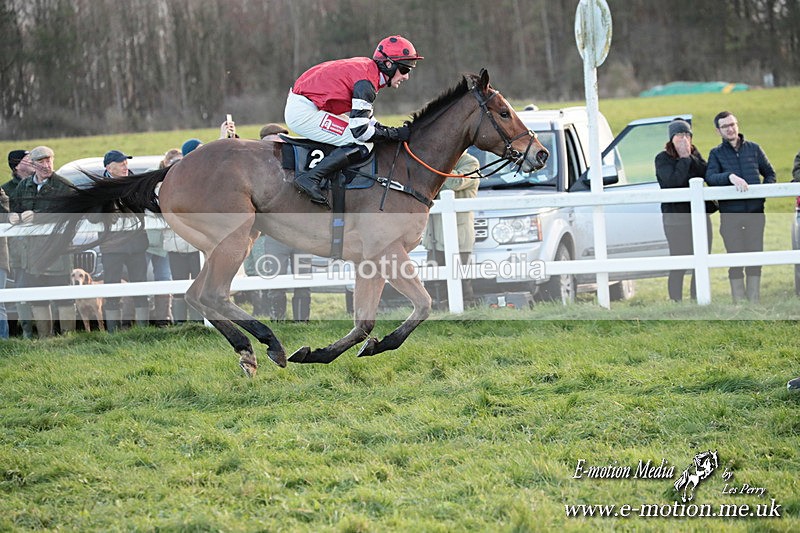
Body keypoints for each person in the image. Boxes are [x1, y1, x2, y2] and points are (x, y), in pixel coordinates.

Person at [285, 35, 423, 206]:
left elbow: (367, 120)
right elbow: (362, 132)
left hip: (308, 105)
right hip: (303, 112)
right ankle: (310, 178)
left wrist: (391, 131)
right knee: (363, 144)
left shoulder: (368, 71)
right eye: (405, 70)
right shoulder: (366, 82)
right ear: (389, 64)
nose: (406, 77)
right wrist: (394, 134)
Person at [705, 111, 776, 303]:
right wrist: (729, 177)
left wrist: (763, 193)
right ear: (718, 131)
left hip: (755, 213)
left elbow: (770, 173)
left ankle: (754, 302)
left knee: (755, 256)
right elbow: (710, 178)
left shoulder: (754, 149)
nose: (730, 129)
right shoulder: (716, 154)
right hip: (731, 216)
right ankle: (738, 303)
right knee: (734, 258)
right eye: (725, 126)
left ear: (737, 125)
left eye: (733, 124)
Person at [8, 146, 75, 338]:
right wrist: (14, 215)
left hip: (57, 253)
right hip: (33, 254)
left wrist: (37, 217)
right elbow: (16, 206)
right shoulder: (24, 186)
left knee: (64, 299)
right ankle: (46, 338)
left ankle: (68, 338)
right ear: (33, 164)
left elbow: (66, 214)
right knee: (39, 299)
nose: (47, 165)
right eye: (42, 162)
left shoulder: (64, 186)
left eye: (49, 160)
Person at [655, 119, 713, 302]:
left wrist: (690, 158)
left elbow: (706, 173)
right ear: (671, 138)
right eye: (680, 135)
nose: (684, 139)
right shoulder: (662, 159)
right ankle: (676, 301)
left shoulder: (695, 155)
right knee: (679, 261)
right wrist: (684, 159)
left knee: (702, 257)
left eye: (687, 135)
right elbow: (674, 182)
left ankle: (698, 297)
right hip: (676, 220)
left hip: (699, 217)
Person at [421, 151, 481, 308]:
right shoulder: (438, 160)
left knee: (461, 280)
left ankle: (466, 311)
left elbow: (455, 183)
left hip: (459, 233)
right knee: (433, 278)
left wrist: (439, 163)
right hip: (434, 232)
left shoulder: (470, 163)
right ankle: (433, 312)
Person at [99, 149, 150, 330]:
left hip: (136, 245)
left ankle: (144, 328)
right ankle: (113, 330)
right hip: (111, 246)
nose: (125, 166)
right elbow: (91, 215)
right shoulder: (99, 187)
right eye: (121, 163)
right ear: (108, 167)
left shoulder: (136, 183)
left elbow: (144, 208)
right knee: (111, 287)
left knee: (140, 285)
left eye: (126, 163)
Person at [3, 150, 36, 337]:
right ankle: (26, 333)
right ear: (17, 165)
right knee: (21, 293)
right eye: (27, 159)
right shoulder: (6, 189)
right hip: (17, 251)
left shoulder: (36, 185)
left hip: (39, 249)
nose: (32, 162)